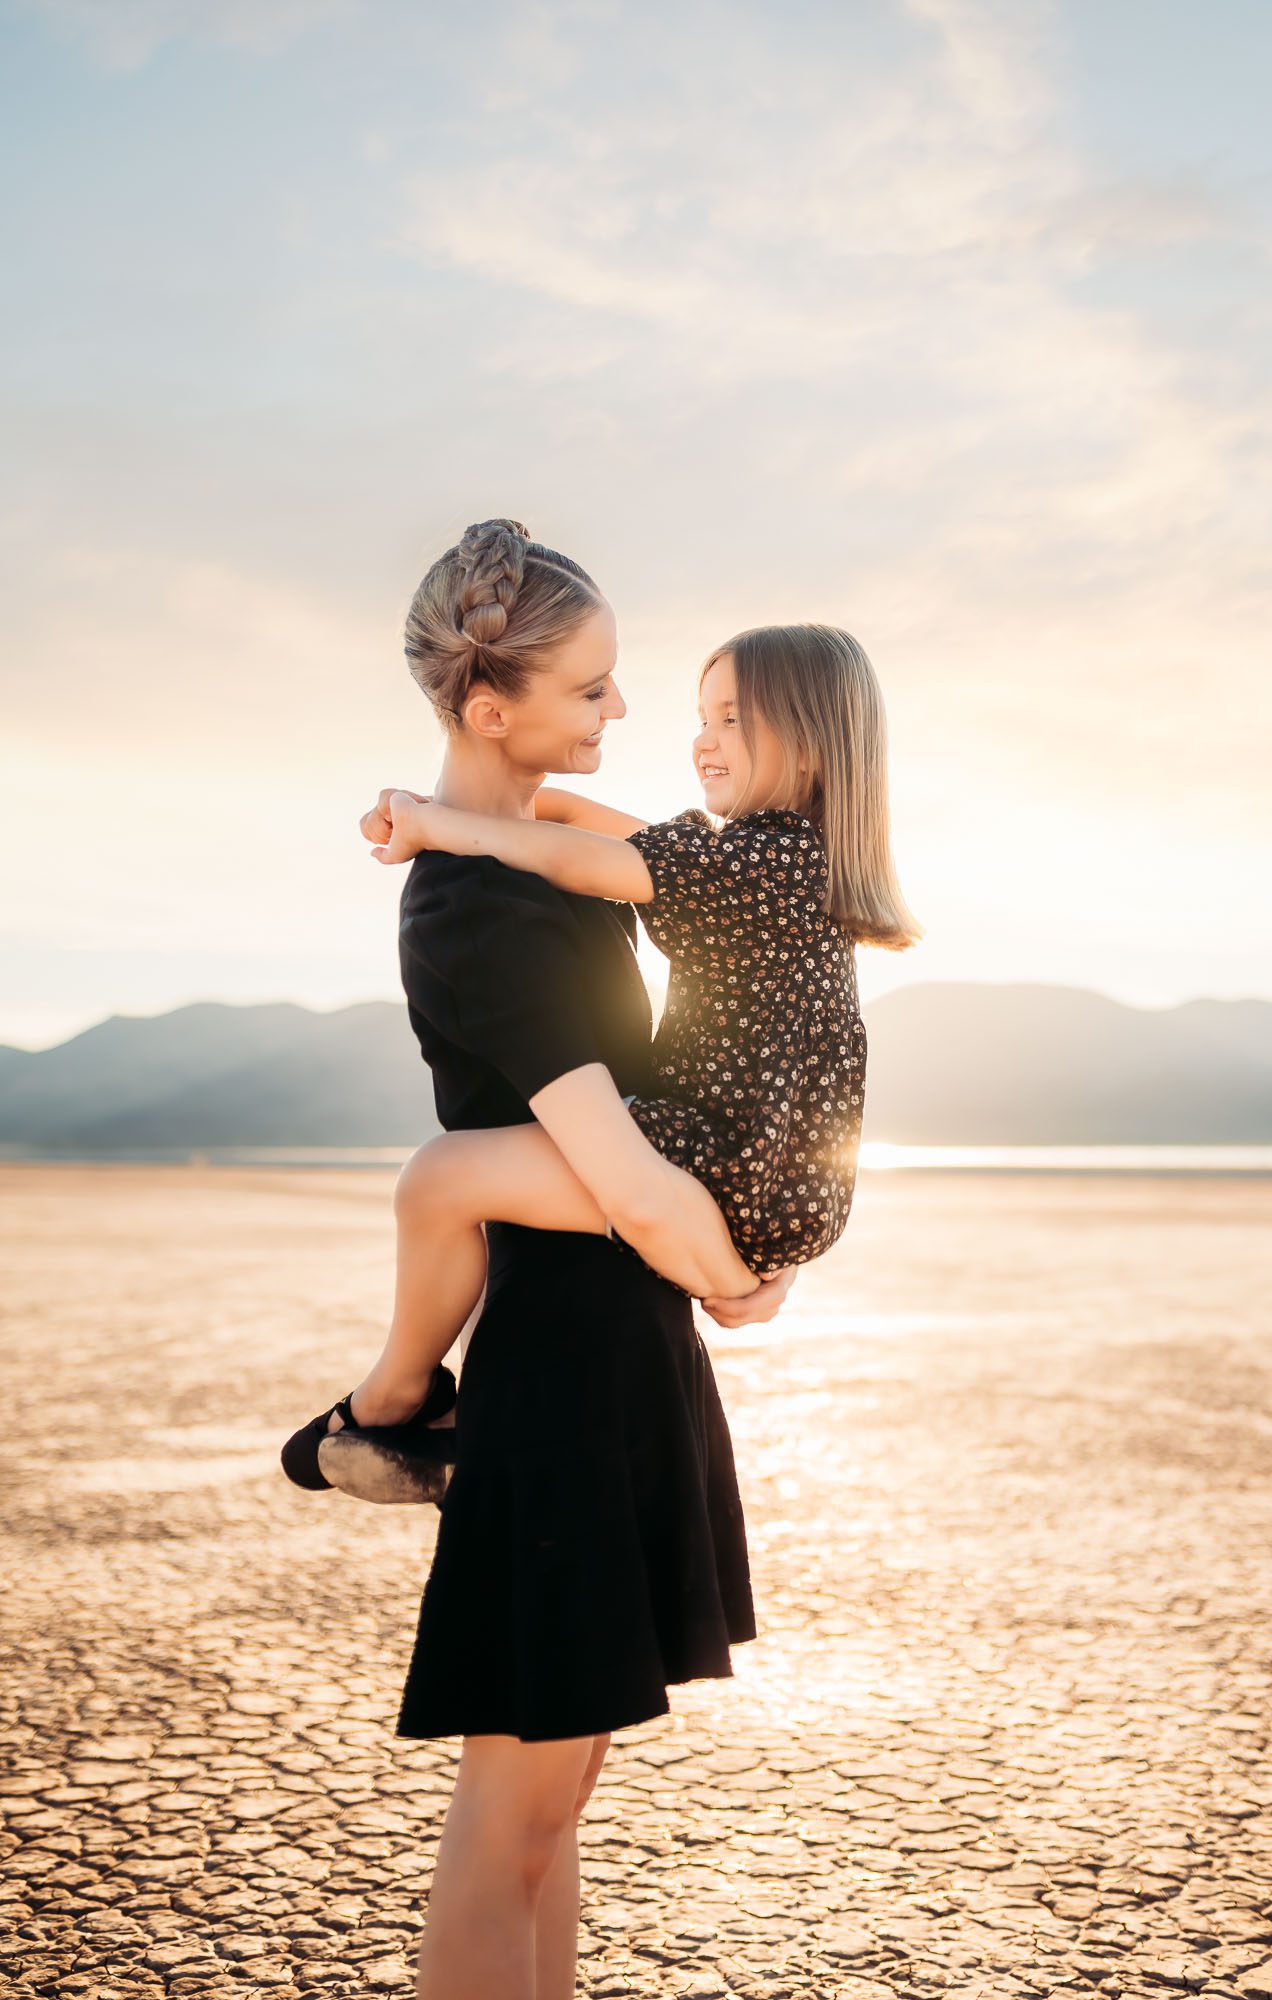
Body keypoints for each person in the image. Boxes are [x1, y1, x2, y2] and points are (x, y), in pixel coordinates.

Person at [285, 519, 796, 2000]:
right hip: (563, 1379)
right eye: (588, 689)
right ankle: (378, 1414)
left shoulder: (536, 856)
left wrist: (445, 803)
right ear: (485, 707)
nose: (616, 713)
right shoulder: (475, 912)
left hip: (616, 1359)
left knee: (552, 1813)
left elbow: (647, 846)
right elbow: (621, 1176)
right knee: (505, 1827)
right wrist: (734, 1272)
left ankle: (377, 1418)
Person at [294, 619, 920, 1460]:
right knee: (442, 1186)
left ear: (813, 745)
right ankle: (416, 1399)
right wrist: (436, 805)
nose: (704, 740)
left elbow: (578, 857)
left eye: (734, 718)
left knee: (436, 1182)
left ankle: (397, 1398)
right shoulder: (772, 863)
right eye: (704, 717)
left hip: (724, 1159)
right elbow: (582, 819)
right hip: (775, 1174)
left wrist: (438, 831)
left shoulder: (761, 867)